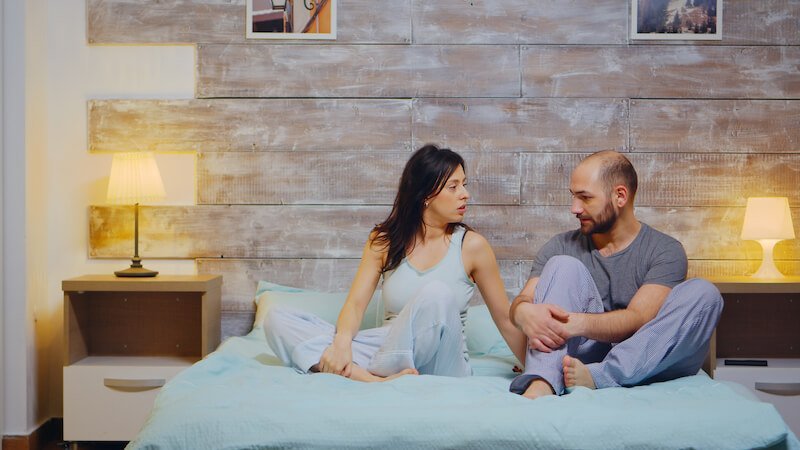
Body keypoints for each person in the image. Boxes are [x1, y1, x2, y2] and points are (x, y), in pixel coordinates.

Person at [265, 144, 526, 382]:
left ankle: (361, 374)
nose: (465, 194)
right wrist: (342, 344)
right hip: (386, 349)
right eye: (454, 186)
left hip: (443, 362)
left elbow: (504, 318)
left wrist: (537, 367)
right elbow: (355, 305)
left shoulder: (472, 246)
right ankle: (377, 380)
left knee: (437, 294)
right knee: (277, 318)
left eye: (464, 185)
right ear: (426, 195)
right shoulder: (384, 241)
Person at [509, 150, 723, 399]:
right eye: (573, 197)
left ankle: (601, 376)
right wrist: (523, 313)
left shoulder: (665, 250)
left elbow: (637, 319)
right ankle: (542, 382)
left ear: (620, 196)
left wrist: (572, 323)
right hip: (580, 359)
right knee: (562, 264)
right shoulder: (561, 246)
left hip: (649, 358)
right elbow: (524, 299)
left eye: (585, 198)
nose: (574, 208)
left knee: (705, 293)